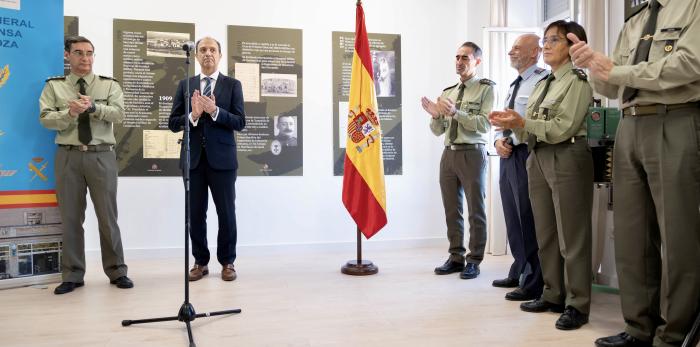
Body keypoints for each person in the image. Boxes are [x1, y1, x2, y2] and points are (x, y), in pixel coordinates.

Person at [568, 1, 700, 345]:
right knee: (631, 235)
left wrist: (615, 72)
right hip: (630, 124)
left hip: (677, 118)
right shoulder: (636, 19)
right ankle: (638, 328)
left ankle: (674, 335)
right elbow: (612, 87)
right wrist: (592, 67)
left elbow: (689, 64)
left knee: (678, 236)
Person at [489, 20, 593, 330]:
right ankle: (552, 293)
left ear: (573, 46)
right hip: (538, 156)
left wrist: (522, 123)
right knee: (546, 233)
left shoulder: (577, 81)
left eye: (554, 40)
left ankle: (577, 304)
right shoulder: (545, 82)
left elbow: (562, 127)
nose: (546, 45)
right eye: (545, 40)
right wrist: (514, 125)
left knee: (571, 237)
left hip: (566, 155)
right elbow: (531, 123)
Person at [39, 36, 133, 294]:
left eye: (89, 53)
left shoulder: (108, 85)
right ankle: (72, 275)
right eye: (78, 52)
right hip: (68, 156)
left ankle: (117, 271)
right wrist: (69, 113)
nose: (85, 58)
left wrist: (93, 107)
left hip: (102, 156)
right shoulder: (54, 87)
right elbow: (45, 119)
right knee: (70, 218)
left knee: (108, 217)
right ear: (67, 56)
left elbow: (119, 113)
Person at [168, 36, 246, 282]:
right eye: (203, 50)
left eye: (212, 49)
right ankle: (200, 262)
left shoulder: (233, 85)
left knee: (226, 213)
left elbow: (239, 122)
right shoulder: (185, 84)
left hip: (223, 161)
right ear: (197, 56)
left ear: (220, 55)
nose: (207, 53)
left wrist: (215, 112)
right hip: (193, 161)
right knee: (195, 214)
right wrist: (193, 114)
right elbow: (172, 123)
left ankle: (228, 262)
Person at [421, 42, 493, 280]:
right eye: (457, 57)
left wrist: (455, 113)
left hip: (472, 153)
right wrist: (436, 116)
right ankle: (455, 257)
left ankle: (474, 260)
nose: (460, 61)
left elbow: (484, 124)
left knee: (476, 210)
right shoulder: (448, 91)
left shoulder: (485, 89)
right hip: (449, 154)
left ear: (477, 62)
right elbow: (438, 130)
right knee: (452, 209)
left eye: (466, 57)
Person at [492, 34, 547, 302]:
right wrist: (498, 141)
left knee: (528, 217)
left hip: (529, 153)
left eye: (517, 48)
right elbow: (507, 121)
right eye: (511, 47)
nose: (510, 51)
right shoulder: (514, 83)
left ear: (535, 52)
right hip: (508, 154)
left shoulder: (543, 80)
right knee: (513, 217)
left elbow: (531, 122)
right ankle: (519, 268)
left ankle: (534, 280)